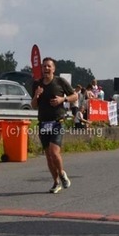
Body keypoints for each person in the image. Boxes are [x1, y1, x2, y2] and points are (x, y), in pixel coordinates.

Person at [31, 57, 77, 194]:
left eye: (48, 66)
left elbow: (75, 96)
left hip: (57, 122)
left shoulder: (60, 82)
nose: (46, 68)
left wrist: (63, 99)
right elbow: (33, 105)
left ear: (53, 69)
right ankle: (56, 182)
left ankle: (62, 173)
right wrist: (36, 95)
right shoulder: (37, 84)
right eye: (44, 66)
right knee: (48, 156)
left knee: (54, 151)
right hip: (43, 123)